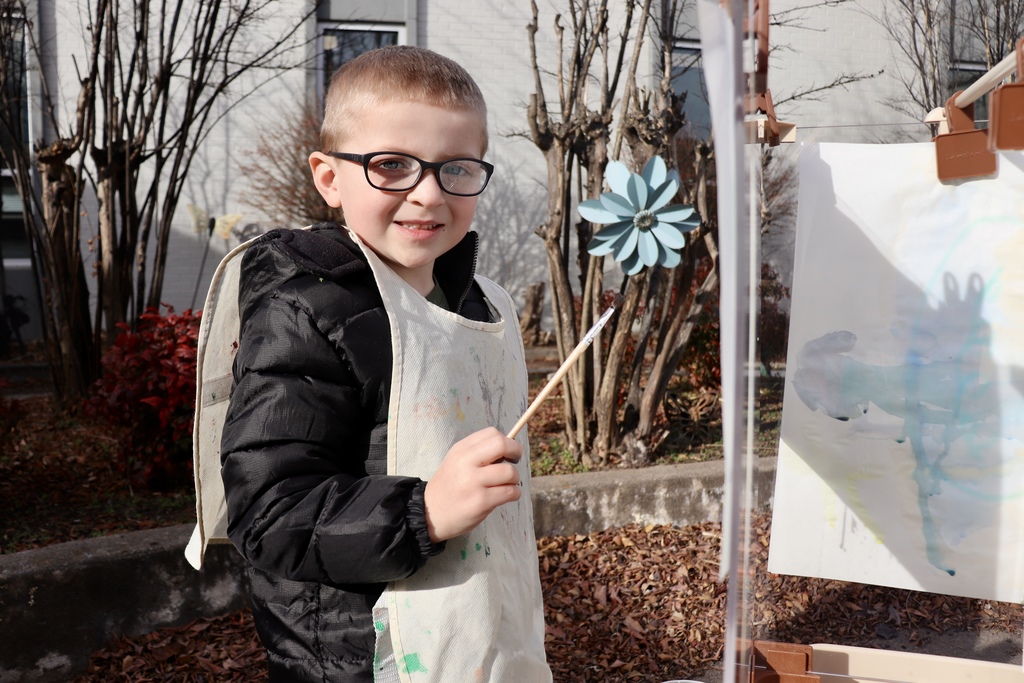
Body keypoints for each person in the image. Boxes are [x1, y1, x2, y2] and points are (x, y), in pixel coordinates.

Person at [220, 46, 552, 682]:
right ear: (329, 178)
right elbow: (268, 513)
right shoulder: (308, 309)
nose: (427, 194)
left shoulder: (479, 305)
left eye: (456, 168)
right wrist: (422, 512)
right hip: (362, 658)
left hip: (479, 635)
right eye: (391, 165)